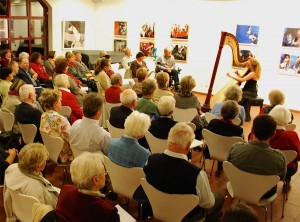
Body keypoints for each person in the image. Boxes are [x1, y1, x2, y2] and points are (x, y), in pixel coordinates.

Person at [144, 123, 225, 221]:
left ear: (169, 139)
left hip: (158, 207)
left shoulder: (151, 160)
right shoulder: (197, 174)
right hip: (188, 217)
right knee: (219, 198)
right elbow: (208, 203)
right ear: (188, 145)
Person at [227, 114, 286, 198]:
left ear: (252, 130)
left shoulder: (235, 148)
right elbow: (281, 177)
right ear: (273, 134)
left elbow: (227, 165)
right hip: (264, 194)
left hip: (237, 187)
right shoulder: (279, 158)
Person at [56, 152, 120, 222]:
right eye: (104, 172)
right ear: (96, 180)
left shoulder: (65, 189)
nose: (105, 174)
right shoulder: (108, 212)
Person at [4, 143, 60, 221]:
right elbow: (44, 213)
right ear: (38, 167)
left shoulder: (11, 169)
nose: (46, 161)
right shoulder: (35, 187)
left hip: (20, 211)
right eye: (45, 160)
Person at [206, 100, 244, 177]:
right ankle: (220, 168)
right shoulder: (238, 130)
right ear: (235, 114)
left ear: (222, 111)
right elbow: (238, 146)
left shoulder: (213, 122)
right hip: (228, 156)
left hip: (210, 151)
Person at [39, 89, 74, 164]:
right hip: (64, 153)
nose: (61, 102)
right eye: (60, 100)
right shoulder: (61, 119)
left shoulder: (43, 115)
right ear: (56, 103)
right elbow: (72, 138)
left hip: (51, 150)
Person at [269, 105, 300, 187]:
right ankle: (287, 180)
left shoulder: (263, 132)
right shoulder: (292, 135)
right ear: (288, 119)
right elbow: (298, 156)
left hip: (264, 166)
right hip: (286, 170)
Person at [174, 75, 203, 139]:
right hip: (190, 126)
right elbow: (199, 109)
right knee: (201, 124)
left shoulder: (174, 96)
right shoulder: (194, 99)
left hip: (176, 123)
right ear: (192, 87)